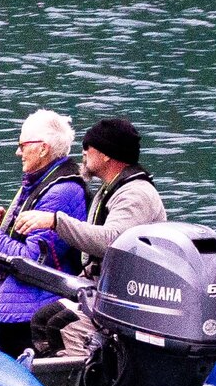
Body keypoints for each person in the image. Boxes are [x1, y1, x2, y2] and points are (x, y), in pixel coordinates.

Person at [17, 118, 167, 355]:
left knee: (60, 324)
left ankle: (88, 380)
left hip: (129, 297)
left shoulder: (135, 194)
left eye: (89, 147)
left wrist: (56, 221)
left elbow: (112, 241)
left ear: (107, 155)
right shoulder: (110, 189)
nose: (83, 153)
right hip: (104, 288)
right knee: (43, 319)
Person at [0, 109, 88, 356]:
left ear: (42, 148)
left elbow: (33, 258)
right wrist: (5, 223)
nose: (18, 152)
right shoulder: (41, 183)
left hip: (31, 307)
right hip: (18, 302)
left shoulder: (61, 192)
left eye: (22, 145)